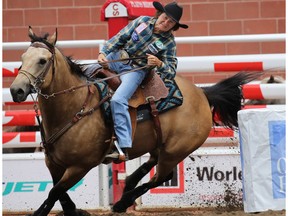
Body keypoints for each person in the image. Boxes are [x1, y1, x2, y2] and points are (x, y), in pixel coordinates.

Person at [99, 1, 188, 160]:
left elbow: (171, 71)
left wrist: (159, 63)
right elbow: (120, 37)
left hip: (135, 71)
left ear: (174, 26)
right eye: (165, 17)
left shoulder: (168, 43)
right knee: (86, 75)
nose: (166, 23)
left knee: (118, 100)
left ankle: (123, 146)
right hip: (116, 58)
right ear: (159, 14)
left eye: (171, 22)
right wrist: (103, 53)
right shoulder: (141, 21)